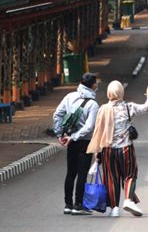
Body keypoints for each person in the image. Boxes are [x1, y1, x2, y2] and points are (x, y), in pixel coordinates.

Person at [87, 77, 148, 217]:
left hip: (107, 150)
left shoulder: (103, 109)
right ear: (121, 92)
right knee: (130, 175)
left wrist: (97, 155)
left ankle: (114, 209)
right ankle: (128, 200)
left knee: (111, 179)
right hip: (125, 148)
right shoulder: (128, 107)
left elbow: (98, 131)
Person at [52, 73, 100, 215]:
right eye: (96, 84)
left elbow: (57, 115)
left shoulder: (69, 97)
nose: (97, 86)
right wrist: (75, 137)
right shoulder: (93, 104)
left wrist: (60, 134)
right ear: (92, 86)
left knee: (70, 173)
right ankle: (78, 205)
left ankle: (68, 204)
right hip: (85, 142)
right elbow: (89, 127)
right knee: (82, 173)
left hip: (70, 142)